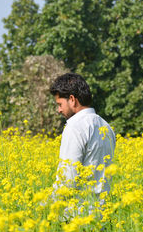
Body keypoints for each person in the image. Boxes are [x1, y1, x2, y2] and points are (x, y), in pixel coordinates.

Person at [49, 73, 115, 205]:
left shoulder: (74, 127)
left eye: (60, 104)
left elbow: (68, 177)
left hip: (77, 215)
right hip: (102, 212)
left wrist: (48, 208)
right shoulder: (106, 126)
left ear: (72, 99)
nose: (59, 110)